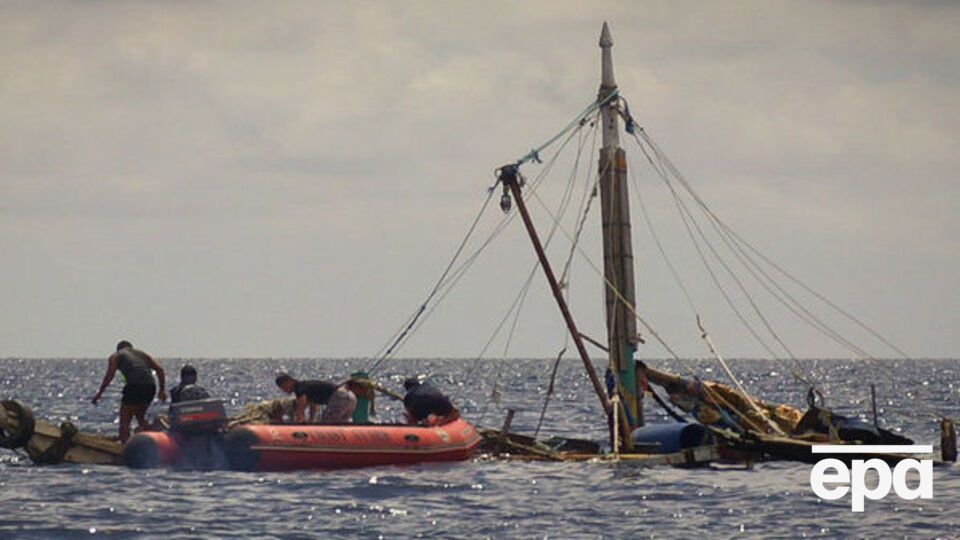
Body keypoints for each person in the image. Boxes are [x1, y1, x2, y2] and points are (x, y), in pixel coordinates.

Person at [91, 340, 167, 442]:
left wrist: (99, 394)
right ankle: (156, 437)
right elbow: (160, 370)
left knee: (124, 422)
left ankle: (124, 448)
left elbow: (110, 375)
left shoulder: (116, 355)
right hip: (150, 387)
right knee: (140, 418)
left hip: (134, 386)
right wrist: (162, 390)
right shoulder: (142, 354)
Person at [275, 373, 357, 424]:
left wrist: (300, 421)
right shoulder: (307, 388)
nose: (284, 389)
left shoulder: (300, 389)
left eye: (284, 385)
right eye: (281, 387)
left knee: (327, 423)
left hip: (340, 398)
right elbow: (313, 407)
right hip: (350, 397)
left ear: (291, 381)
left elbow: (301, 409)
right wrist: (311, 422)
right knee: (340, 422)